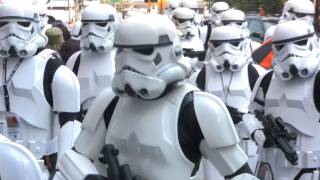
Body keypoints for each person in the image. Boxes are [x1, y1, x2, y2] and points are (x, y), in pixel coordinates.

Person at [55, 14, 259, 180]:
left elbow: (240, 175)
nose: (127, 63)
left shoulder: (199, 109)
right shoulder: (110, 101)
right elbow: (73, 158)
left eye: (142, 51)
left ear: (172, 50)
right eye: (121, 52)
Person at [0, 2, 80, 175]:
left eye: (21, 24)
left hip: (42, 165)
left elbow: (68, 125)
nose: (10, 32)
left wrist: (61, 170)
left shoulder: (53, 70)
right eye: (3, 24)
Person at [189, 25, 265, 179]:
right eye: (219, 45)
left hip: (247, 142)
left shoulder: (256, 73)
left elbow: (265, 111)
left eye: (233, 43)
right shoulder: (200, 76)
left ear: (243, 43)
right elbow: (190, 113)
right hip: (214, 147)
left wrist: (251, 124)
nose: (226, 50)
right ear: (211, 45)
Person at [248, 20, 320, 180]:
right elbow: (250, 114)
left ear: (312, 41)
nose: (290, 52)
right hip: (269, 168)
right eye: (282, 46)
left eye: (300, 43)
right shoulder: (266, 79)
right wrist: (256, 132)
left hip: (310, 170)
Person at [66, 3, 117, 121]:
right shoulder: (75, 60)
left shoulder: (122, 58)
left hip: (114, 124)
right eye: (86, 24)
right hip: (80, 123)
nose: (91, 31)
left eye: (100, 24)